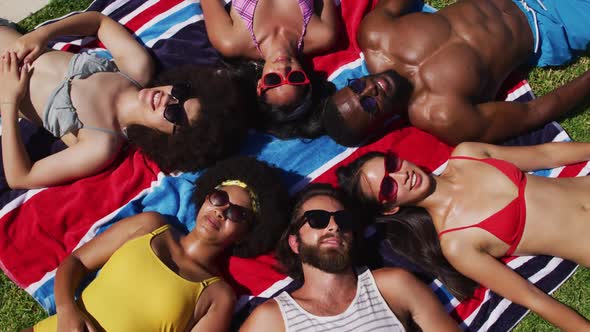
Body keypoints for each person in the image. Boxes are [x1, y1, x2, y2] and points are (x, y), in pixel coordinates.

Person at [336, 142, 590, 330]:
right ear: (391, 208)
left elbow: (545, 154)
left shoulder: (468, 154)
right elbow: (533, 299)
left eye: (392, 164)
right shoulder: (456, 244)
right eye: (388, 187)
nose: (402, 176)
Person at [25, 156, 290, 331]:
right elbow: (77, 261)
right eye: (220, 198)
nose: (221, 211)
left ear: (245, 234)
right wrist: (67, 309)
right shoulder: (150, 225)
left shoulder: (217, 296)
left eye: (237, 213)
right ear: (206, 197)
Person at [0, 13, 250, 189]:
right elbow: (99, 22)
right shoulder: (137, 68)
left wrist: (10, 101)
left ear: (171, 140)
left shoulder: (100, 144)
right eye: (181, 92)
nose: (167, 100)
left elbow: (21, 177)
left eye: (174, 114)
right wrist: (42, 34)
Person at [323, 0, 590, 146]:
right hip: (549, 24)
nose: (370, 89)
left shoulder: (377, 36)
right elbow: (533, 113)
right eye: (369, 104)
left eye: (356, 87)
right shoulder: (445, 116)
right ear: (381, 123)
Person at [241, 183, 459, 332]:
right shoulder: (272, 319)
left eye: (343, 220)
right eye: (318, 219)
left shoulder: (393, 286)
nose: (334, 226)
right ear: (295, 242)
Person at [200, 0, 338, 130]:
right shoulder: (324, 35)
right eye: (295, 78)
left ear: (260, 85)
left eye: (274, 80)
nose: (283, 69)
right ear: (307, 80)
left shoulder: (230, 42)